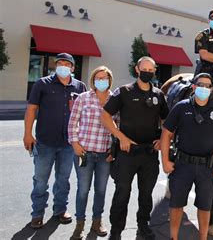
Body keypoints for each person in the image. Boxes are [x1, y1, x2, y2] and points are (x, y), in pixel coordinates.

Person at [101, 56, 169, 240]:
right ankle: (116, 230)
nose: (148, 72)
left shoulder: (159, 95)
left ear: (155, 71)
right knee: (122, 193)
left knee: (146, 194)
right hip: (126, 153)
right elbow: (105, 116)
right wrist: (120, 137)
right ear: (137, 69)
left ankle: (143, 225)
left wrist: (162, 139)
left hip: (149, 154)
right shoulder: (124, 91)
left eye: (151, 69)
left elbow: (167, 122)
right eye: (144, 69)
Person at [161, 73, 213, 240]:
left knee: (205, 206)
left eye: (208, 86)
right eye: (201, 85)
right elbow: (166, 134)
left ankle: (203, 237)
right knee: (176, 204)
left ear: (211, 89)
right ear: (193, 86)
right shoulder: (181, 107)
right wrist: (164, 161)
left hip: (208, 168)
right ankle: (174, 237)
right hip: (182, 165)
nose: (204, 88)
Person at [23, 53, 87, 229]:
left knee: (63, 179)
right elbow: (31, 109)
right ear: (55, 65)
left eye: (67, 64)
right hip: (45, 142)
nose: (64, 66)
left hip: (69, 144)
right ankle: (37, 213)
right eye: (60, 63)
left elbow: (85, 114)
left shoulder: (80, 87)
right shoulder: (42, 84)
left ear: (73, 68)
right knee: (41, 180)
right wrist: (27, 134)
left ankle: (60, 209)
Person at [68, 66, 118, 239]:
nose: (101, 81)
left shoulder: (115, 101)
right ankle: (79, 224)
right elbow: (72, 122)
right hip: (84, 153)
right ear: (93, 80)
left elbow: (117, 128)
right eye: (98, 78)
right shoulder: (83, 98)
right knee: (83, 190)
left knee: (101, 190)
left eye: (105, 78)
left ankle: (97, 222)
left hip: (105, 154)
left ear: (109, 80)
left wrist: (114, 150)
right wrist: (74, 142)